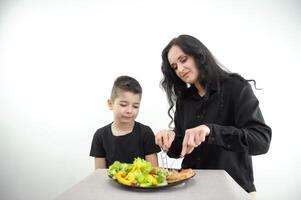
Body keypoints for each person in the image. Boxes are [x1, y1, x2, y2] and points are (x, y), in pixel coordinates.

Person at [155, 34, 272, 194]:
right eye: (174, 67)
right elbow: (180, 150)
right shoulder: (184, 100)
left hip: (233, 191)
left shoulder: (236, 87)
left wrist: (211, 131)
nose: (180, 70)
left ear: (199, 55)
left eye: (183, 60)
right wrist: (169, 138)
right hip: (191, 191)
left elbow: (261, 141)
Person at [90, 75, 161, 169]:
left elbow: (154, 172)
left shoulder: (146, 133)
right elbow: (99, 175)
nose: (130, 111)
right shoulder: (100, 136)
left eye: (135, 106)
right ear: (110, 104)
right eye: (123, 105)